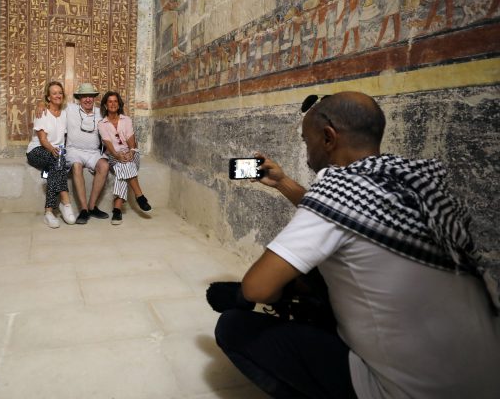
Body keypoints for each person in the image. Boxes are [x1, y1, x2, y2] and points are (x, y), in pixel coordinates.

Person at [210, 92, 500, 398]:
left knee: (233, 326)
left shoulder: (337, 191)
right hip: (486, 378)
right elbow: (346, 213)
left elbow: (257, 288)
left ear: (328, 137)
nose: (306, 147)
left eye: (306, 139)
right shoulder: (409, 181)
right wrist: (282, 181)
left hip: (410, 391)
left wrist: (282, 293)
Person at [37, 83, 111, 224]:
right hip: (73, 151)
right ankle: (83, 210)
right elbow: (53, 103)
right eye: (84, 97)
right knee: (77, 165)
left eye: (91, 96)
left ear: (94, 98)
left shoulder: (101, 112)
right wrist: (41, 104)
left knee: (104, 166)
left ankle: (92, 207)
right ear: (79, 99)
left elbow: (116, 116)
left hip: (93, 152)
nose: (88, 99)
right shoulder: (70, 109)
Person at [26, 81, 76, 228]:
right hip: (37, 151)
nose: (58, 95)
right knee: (57, 159)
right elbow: (42, 140)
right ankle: (65, 203)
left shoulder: (65, 114)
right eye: (54, 93)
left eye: (60, 92)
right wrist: (54, 150)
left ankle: (49, 212)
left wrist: (58, 151)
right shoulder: (42, 113)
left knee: (55, 165)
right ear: (48, 97)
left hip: (54, 155)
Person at [98, 91, 152, 225]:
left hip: (131, 153)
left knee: (124, 167)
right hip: (113, 156)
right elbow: (108, 145)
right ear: (105, 104)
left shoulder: (126, 120)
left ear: (119, 104)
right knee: (123, 165)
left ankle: (117, 210)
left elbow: (131, 141)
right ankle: (140, 196)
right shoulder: (102, 124)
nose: (113, 104)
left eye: (115, 101)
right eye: (110, 101)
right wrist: (117, 155)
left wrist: (131, 153)